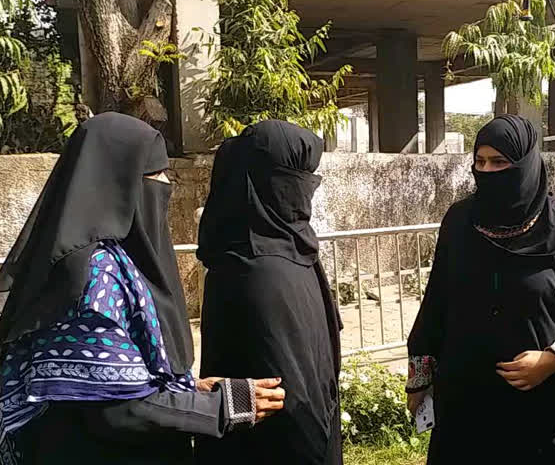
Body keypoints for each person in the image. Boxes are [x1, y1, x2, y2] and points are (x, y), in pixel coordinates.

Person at [0, 113, 286, 464]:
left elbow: (118, 381)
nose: (166, 184)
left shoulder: (113, 259)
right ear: (118, 181)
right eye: (156, 174)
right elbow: (115, 408)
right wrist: (221, 407)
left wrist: (191, 389)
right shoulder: (93, 274)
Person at [406, 115, 555, 464]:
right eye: (480, 162)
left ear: (525, 165)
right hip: (463, 398)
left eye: (500, 162)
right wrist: (420, 377)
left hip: (532, 406)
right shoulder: (460, 221)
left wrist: (553, 359)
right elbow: (437, 301)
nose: (488, 171)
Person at [194, 120, 343, 465]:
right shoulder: (255, 269)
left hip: (312, 431)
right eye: (297, 178)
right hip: (277, 446)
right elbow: (284, 393)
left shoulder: (291, 246)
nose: (306, 190)